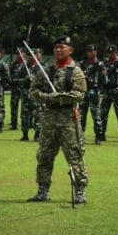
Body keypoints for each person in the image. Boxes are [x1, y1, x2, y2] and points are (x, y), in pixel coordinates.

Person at [27, 35, 88, 204]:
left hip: (68, 119)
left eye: (62, 47)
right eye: (56, 47)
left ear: (71, 50)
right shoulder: (46, 71)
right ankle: (43, 190)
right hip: (49, 119)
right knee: (44, 155)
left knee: (74, 155)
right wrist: (47, 97)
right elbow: (33, 92)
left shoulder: (75, 71)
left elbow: (79, 94)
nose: (59, 50)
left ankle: (80, 190)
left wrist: (58, 97)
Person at [79, 44, 107, 145]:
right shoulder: (82, 64)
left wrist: (101, 89)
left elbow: (104, 79)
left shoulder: (99, 64)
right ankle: (80, 136)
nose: (92, 52)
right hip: (83, 92)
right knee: (81, 115)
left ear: (96, 52)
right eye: (90, 51)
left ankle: (98, 136)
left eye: (94, 51)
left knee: (96, 115)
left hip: (94, 92)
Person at [100, 44, 118, 142]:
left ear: (116, 52)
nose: (110, 55)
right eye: (108, 53)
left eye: (112, 53)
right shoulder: (104, 64)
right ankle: (101, 133)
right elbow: (101, 76)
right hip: (106, 91)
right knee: (103, 113)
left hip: (117, 91)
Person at [8, 47, 27, 130]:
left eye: (21, 53)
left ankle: (25, 123)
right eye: (18, 53)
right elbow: (9, 76)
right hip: (15, 88)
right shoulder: (12, 64)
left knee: (25, 107)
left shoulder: (27, 64)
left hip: (24, 89)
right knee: (14, 106)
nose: (19, 55)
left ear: (25, 54)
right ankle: (14, 123)